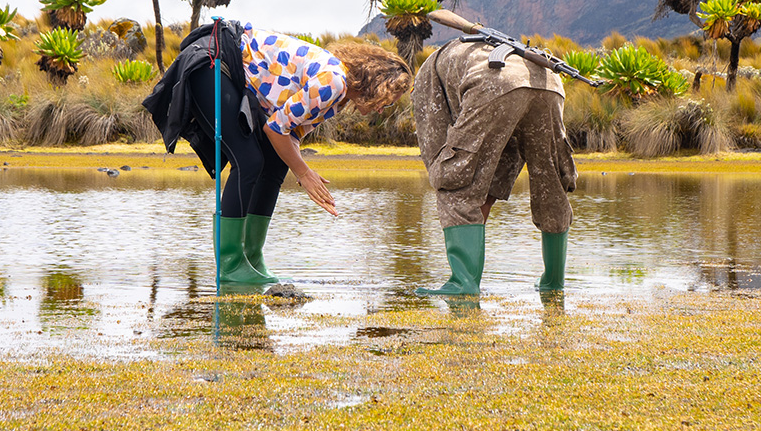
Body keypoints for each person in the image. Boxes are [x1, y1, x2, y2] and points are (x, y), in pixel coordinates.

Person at [143, 19, 412, 284]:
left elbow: (290, 135)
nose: (382, 108)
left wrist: (303, 171)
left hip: (232, 72)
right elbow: (275, 130)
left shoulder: (338, 100)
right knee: (247, 161)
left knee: (274, 163)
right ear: (377, 84)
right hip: (214, 61)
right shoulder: (334, 82)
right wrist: (304, 173)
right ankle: (230, 265)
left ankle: (252, 257)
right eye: (387, 100)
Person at [412, 35, 578, 296]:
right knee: (551, 181)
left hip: (494, 82)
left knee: (454, 180)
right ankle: (553, 282)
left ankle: (463, 282)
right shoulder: (469, 51)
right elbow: (501, 146)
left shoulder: (425, 76)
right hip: (548, 79)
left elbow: (435, 144)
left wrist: (451, 177)